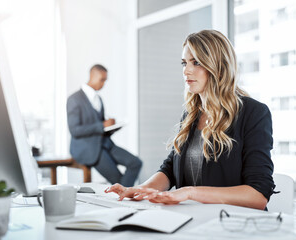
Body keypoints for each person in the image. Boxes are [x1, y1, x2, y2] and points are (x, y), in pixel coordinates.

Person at [105, 30, 275, 210]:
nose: (186, 70)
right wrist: (139, 190)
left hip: (232, 223)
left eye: (196, 62)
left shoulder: (254, 113)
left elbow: (258, 195)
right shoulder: (192, 114)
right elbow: (169, 170)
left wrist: (190, 192)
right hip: (193, 217)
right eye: (184, 63)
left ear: (219, 66)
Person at [67, 64, 142, 187]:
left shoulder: (99, 99)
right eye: (102, 80)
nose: (103, 84)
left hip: (105, 144)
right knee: (118, 180)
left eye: (105, 80)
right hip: (88, 148)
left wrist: (112, 127)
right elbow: (74, 130)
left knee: (135, 162)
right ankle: (125, 196)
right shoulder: (74, 99)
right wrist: (102, 125)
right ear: (92, 76)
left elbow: (100, 126)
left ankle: (123, 195)